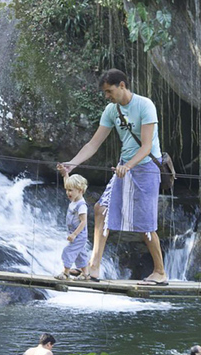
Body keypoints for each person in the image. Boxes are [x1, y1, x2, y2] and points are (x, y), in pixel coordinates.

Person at [58, 68, 168, 285]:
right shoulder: (111, 110)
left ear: (122, 86)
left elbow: (146, 147)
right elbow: (94, 144)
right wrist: (72, 164)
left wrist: (127, 166)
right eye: (105, 93)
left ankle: (160, 272)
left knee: (146, 225)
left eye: (109, 91)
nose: (107, 96)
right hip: (123, 168)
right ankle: (94, 267)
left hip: (145, 168)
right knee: (101, 209)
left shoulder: (145, 106)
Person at [54, 173, 90, 280]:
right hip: (74, 233)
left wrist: (74, 234)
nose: (67, 193)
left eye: (70, 190)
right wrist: (65, 174)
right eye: (67, 190)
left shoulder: (81, 205)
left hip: (79, 234)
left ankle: (66, 273)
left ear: (80, 190)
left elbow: (83, 222)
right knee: (80, 254)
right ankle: (86, 274)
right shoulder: (74, 200)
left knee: (68, 251)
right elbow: (68, 182)